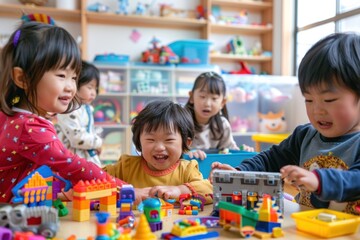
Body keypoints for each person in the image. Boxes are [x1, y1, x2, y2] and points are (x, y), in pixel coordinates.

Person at [210, 32, 360, 215]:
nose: (317, 110)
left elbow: (356, 180)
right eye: (308, 100)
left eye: (328, 100)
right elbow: (269, 159)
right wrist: (241, 172)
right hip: (307, 227)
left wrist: (320, 180)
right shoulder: (304, 136)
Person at [0, 22, 125, 203]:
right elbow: (74, 166)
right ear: (22, 78)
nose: (71, 87)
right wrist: (126, 189)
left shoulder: (12, 115)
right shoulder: (30, 126)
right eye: (61, 76)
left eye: (74, 77)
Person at [103, 100, 213, 205]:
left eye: (169, 140)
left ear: (186, 142)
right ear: (139, 142)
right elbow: (94, 180)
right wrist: (127, 191)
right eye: (150, 140)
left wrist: (179, 190)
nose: (159, 147)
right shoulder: (126, 167)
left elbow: (209, 190)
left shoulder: (187, 170)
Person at [185, 71, 253, 160]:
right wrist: (187, 153)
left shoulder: (222, 125)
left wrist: (243, 150)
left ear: (222, 102)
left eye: (214, 98)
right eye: (202, 96)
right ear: (191, 97)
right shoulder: (181, 121)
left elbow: (229, 151)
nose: (207, 103)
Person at [56, 60, 103, 167]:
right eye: (89, 87)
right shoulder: (68, 109)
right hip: (73, 160)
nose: (93, 93)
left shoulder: (85, 108)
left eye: (95, 89)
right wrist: (98, 142)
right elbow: (76, 138)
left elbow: (88, 131)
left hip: (84, 156)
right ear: (76, 85)